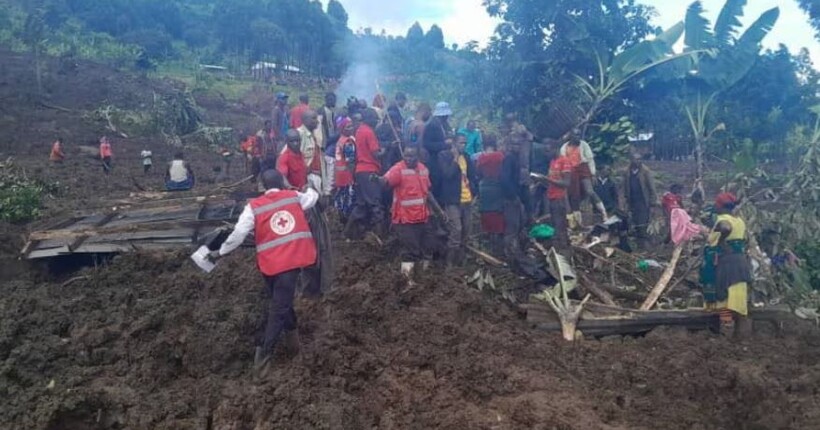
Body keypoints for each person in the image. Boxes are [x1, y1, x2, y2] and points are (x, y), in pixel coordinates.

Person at [209, 169, 319, 369]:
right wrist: (310, 187)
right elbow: (312, 198)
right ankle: (264, 356)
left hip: (269, 265)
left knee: (281, 303)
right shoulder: (293, 197)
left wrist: (221, 252)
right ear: (283, 181)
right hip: (290, 262)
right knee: (280, 308)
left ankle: (293, 345)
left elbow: (238, 234)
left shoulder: (253, 207)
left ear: (262, 186)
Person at [373, 146, 432, 285]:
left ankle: (422, 279)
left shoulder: (423, 169)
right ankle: (407, 282)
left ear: (418, 156)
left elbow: (428, 192)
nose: (408, 159)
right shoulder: (398, 169)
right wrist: (377, 179)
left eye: (411, 156)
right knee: (410, 251)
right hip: (404, 219)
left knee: (425, 248)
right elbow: (385, 181)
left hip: (422, 217)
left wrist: (438, 211)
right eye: (406, 156)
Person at [700, 193, 752, 337]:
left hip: (726, 263)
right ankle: (743, 335)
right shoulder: (739, 221)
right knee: (738, 298)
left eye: (716, 204)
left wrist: (721, 240)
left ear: (721, 206)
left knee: (724, 297)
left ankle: (725, 337)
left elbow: (725, 227)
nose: (715, 206)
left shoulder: (723, 219)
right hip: (740, 262)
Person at [438, 133, 477, 265]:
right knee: (456, 230)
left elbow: (472, 176)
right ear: (454, 143)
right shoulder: (444, 156)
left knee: (467, 231)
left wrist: (474, 193)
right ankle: (449, 262)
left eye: (465, 143)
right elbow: (447, 174)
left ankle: (461, 261)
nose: (464, 145)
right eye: (461, 143)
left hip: (467, 199)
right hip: (453, 200)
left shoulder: (466, 157)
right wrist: (455, 158)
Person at [346, 108, 384, 239]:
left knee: (361, 204)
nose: (376, 122)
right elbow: (376, 154)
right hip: (369, 171)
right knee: (375, 204)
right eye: (375, 119)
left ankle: (349, 233)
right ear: (370, 119)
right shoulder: (369, 132)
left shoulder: (360, 130)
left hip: (360, 171)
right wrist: (388, 148)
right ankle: (380, 236)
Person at [560, 129, 607, 227]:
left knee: (589, 191)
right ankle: (578, 222)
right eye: (575, 135)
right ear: (571, 136)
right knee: (574, 195)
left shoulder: (584, 145)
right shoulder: (564, 147)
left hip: (583, 168)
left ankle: (603, 212)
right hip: (571, 172)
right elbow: (563, 162)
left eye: (579, 135)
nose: (578, 137)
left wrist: (593, 174)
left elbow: (590, 160)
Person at [500, 132, 529, 259]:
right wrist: (513, 196)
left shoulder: (517, 158)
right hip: (510, 198)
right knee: (512, 226)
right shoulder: (509, 158)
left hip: (516, 197)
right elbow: (504, 179)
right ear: (510, 146)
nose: (516, 146)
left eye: (518, 144)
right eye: (514, 144)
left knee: (519, 223)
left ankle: (516, 251)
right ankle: (509, 253)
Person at [475, 135, 505, 254]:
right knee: (497, 212)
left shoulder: (481, 158)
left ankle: (489, 239)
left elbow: (477, 172)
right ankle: (498, 244)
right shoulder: (500, 156)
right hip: (497, 187)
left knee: (486, 212)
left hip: (484, 187)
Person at [542, 140, 572, 250]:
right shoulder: (552, 161)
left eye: (548, 150)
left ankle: (563, 248)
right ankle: (559, 247)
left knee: (560, 225)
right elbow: (551, 179)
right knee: (555, 223)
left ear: (556, 149)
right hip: (551, 197)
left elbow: (566, 183)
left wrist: (548, 179)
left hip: (559, 198)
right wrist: (541, 180)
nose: (546, 153)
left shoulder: (565, 161)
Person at [623, 153, 657, 248]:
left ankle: (645, 242)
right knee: (634, 221)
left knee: (643, 222)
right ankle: (639, 242)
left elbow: (652, 188)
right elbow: (625, 187)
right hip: (632, 201)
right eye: (636, 159)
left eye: (639, 159)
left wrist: (653, 203)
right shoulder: (627, 172)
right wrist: (626, 201)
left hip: (643, 201)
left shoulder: (646, 171)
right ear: (631, 160)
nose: (638, 161)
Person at [423, 102, 453, 200]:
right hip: (434, 162)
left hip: (442, 161)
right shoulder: (432, 126)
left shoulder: (443, 125)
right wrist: (445, 145)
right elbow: (427, 144)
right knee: (436, 186)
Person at [333, 117, 356, 225]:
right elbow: (350, 161)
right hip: (346, 174)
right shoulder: (348, 142)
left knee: (341, 196)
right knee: (348, 197)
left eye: (351, 125)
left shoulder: (341, 139)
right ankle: (346, 220)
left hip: (339, 174)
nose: (351, 128)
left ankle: (341, 217)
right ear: (342, 129)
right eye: (348, 127)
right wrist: (353, 177)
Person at [529, 137, 555, 219]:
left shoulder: (551, 155)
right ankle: (534, 216)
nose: (546, 146)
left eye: (548, 144)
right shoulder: (537, 153)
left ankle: (546, 215)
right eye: (545, 144)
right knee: (535, 197)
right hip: (536, 178)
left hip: (546, 179)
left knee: (546, 197)